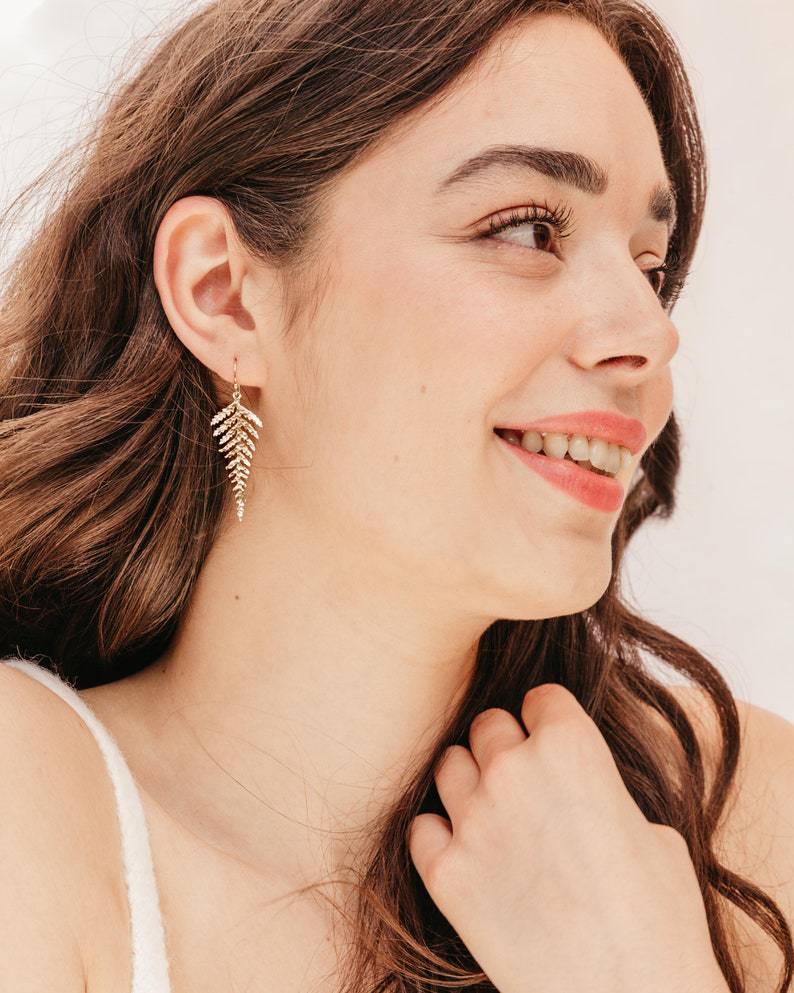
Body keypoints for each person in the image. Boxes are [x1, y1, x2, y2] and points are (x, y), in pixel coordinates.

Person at [0, 0, 792, 991]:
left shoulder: (747, 815)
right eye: (528, 229)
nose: (648, 333)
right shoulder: (27, 801)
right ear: (223, 294)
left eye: (650, 267)